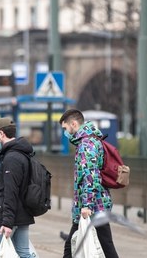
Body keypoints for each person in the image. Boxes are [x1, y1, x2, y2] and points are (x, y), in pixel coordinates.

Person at [59, 109, 119, 258]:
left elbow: (90, 176)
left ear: (73, 124)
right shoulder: (88, 141)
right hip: (93, 204)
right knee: (76, 245)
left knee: (104, 246)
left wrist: (86, 205)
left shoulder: (87, 144)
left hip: (93, 206)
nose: (65, 132)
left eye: (65, 128)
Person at [0, 117, 35, 258]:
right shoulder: (23, 154)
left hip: (6, 215)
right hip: (22, 213)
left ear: (1, 134)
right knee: (23, 252)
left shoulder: (11, 158)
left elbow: (10, 191)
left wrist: (7, 222)